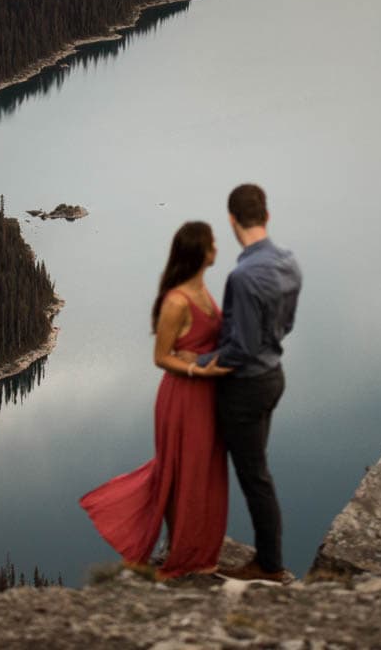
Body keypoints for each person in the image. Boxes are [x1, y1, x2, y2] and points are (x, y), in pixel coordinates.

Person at [79, 221, 233, 579]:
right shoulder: (176, 301)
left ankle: (198, 553)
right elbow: (161, 357)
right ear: (199, 252)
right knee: (182, 473)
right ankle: (180, 558)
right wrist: (199, 372)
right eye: (211, 244)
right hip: (182, 397)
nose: (216, 248)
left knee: (204, 472)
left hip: (206, 396)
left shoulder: (203, 292)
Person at [197, 183, 301, 584]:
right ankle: (267, 559)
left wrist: (195, 363)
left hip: (245, 386)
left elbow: (238, 349)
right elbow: (285, 324)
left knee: (251, 474)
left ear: (231, 220)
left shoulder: (242, 276)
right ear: (267, 217)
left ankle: (269, 565)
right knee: (257, 470)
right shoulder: (290, 263)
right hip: (274, 376)